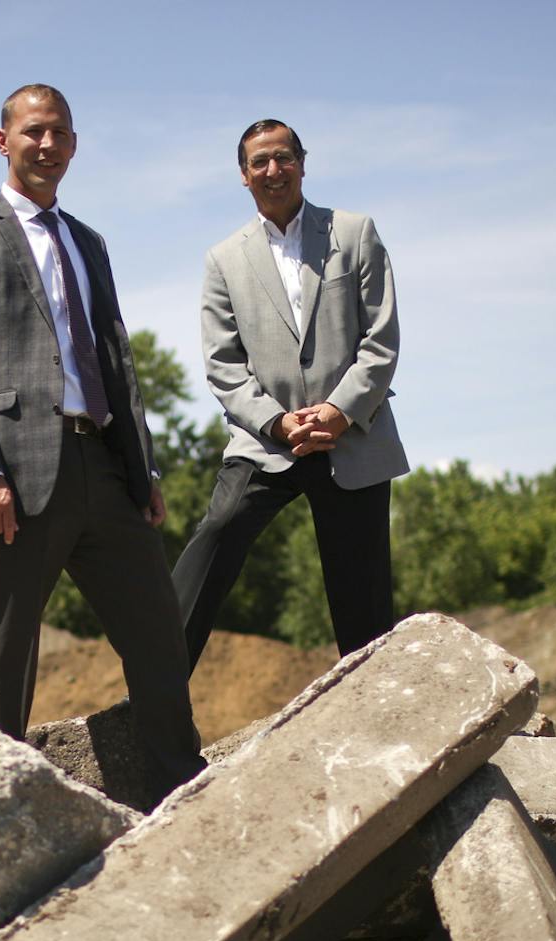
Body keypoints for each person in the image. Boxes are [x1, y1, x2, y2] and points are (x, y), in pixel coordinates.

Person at [0, 83, 204, 789]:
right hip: (16, 478)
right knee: (6, 650)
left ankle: (182, 787)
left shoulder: (88, 241)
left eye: (61, 135)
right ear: (4, 141)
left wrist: (143, 471)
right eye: (34, 132)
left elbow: (115, 357)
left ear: (74, 146)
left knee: (158, 633)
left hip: (104, 467)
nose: (47, 146)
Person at [172, 119, 406, 669]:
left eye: (284, 158)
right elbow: (222, 363)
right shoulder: (223, 259)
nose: (273, 171)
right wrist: (277, 423)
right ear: (243, 175)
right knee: (216, 537)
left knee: (363, 601)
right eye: (260, 162)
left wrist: (339, 411)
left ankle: (376, 711)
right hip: (266, 442)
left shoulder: (354, 232)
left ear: (303, 162)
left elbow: (382, 339)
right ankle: (152, 689)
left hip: (352, 437)